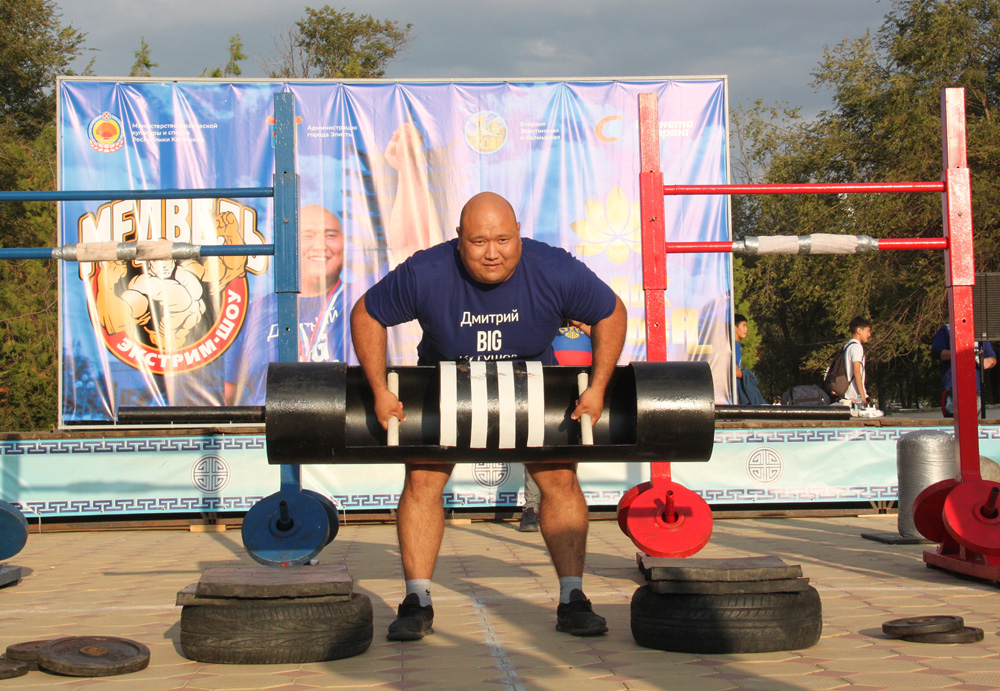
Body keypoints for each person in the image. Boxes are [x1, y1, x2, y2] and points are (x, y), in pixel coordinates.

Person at [351, 191, 627, 640]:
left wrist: (597, 388)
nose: (492, 252)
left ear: (520, 235)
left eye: (503, 239)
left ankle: (572, 598)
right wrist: (379, 389)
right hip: (444, 381)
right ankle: (416, 600)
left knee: (559, 481)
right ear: (459, 238)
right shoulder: (427, 270)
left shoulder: (553, 268)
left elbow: (611, 312)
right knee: (422, 481)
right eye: (479, 241)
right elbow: (367, 313)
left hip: (534, 381)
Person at [224, 205, 345, 405]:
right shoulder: (251, 314)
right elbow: (225, 397)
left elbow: (407, 246)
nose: (320, 246)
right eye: (307, 236)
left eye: (330, 235)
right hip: (265, 431)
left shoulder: (361, 302)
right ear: (289, 246)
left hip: (344, 429)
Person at [518, 320, 593, 533]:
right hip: (544, 389)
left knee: (570, 450)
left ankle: (564, 508)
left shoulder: (586, 326)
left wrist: (581, 325)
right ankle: (531, 510)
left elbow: (606, 339)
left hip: (576, 393)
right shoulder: (544, 322)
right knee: (535, 449)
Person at [930, 323, 997, 417]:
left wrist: (989, 361)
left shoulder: (978, 331)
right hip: (952, 387)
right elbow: (936, 352)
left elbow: (992, 357)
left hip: (975, 388)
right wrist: (959, 353)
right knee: (952, 422)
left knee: (972, 422)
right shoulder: (947, 329)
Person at [842, 316, 882, 418]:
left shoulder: (847, 346)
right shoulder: (857, 347)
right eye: (868, 331)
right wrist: (863, 397)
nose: (869, 334)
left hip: (847, 395)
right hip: (855, 398)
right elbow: (856, 372)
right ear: (859, 330)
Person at [734, 314, 767, 405]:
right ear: (734, 328)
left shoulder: (735, 345)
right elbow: (734, 371)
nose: (746, 329)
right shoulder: (734, 345)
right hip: (734, 394)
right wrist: (748, 374)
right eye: (743, 326)